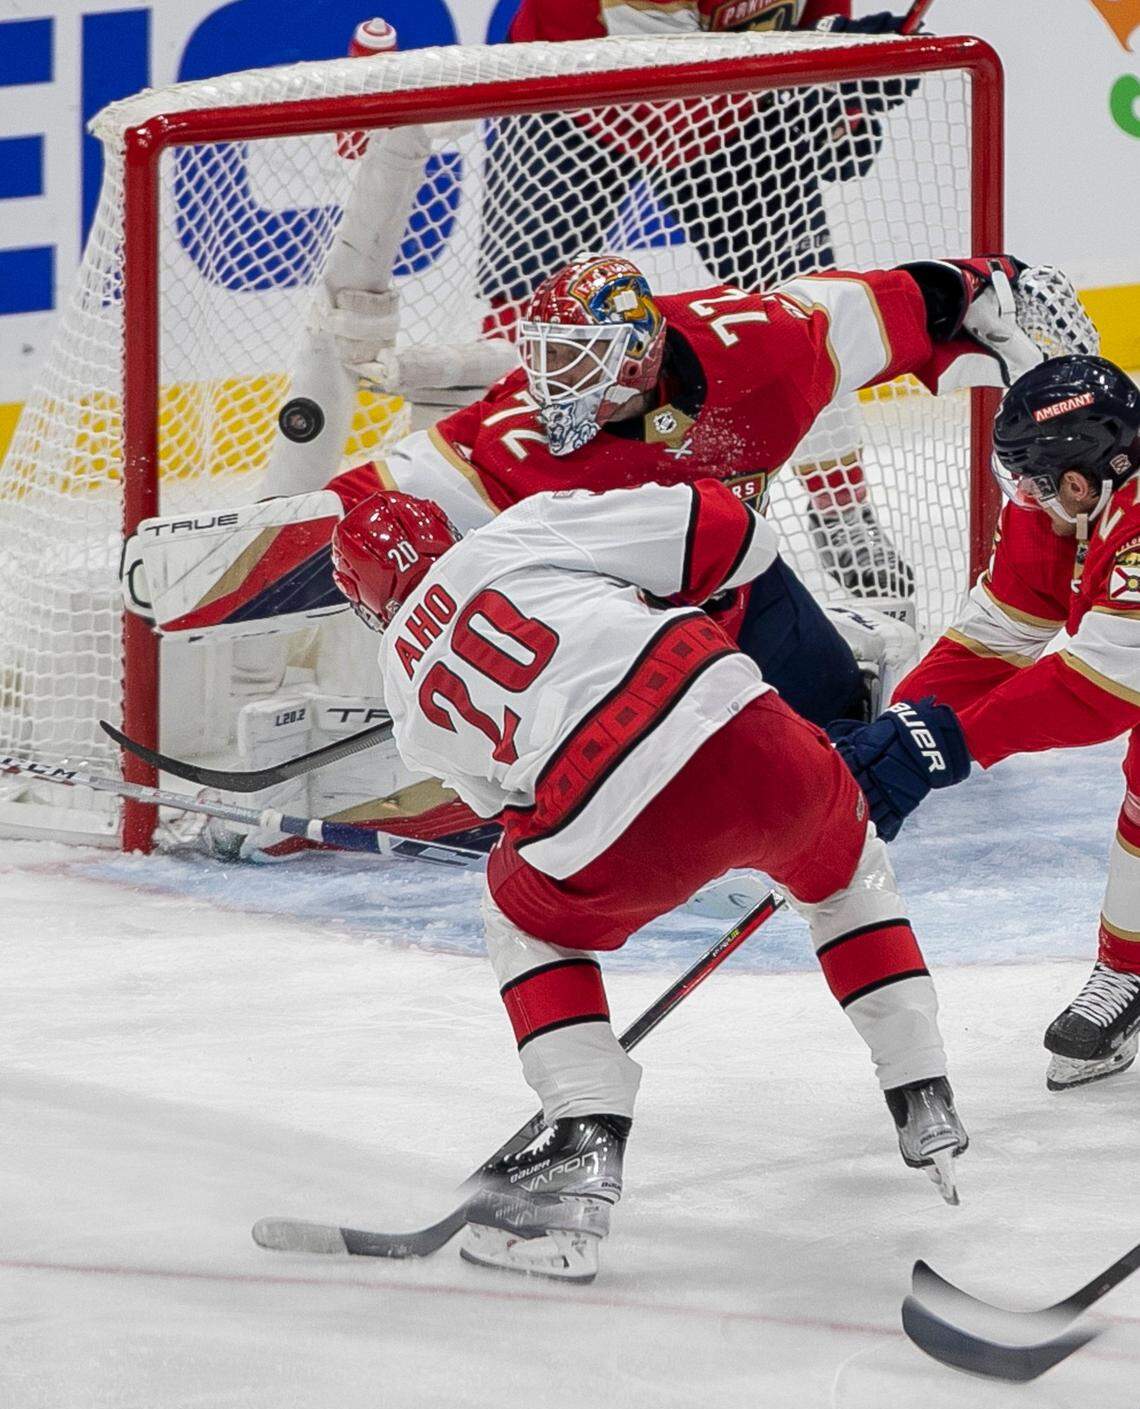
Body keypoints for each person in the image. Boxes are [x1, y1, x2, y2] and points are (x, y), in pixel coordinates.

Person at [329, 476, 969, 1282]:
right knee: (846, 871)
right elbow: (739, 532)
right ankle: (921, 1088)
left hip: (608, 814)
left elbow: (504, 804)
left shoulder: (404, 693)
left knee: (520, 912)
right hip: (748, 730)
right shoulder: (518, 532)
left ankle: (581, 1141)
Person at [331, 250, 1043, 730]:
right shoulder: (514, 439)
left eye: (576, 361)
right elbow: (365, 503)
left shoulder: (767, 349)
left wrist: (1000, 292)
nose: (552, 386)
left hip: (736, 584)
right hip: (614, 628)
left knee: (841, 724)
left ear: (640, 357)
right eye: (545, 357)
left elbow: (920, 301)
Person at [481, 1, 923, 595]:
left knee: (806, 315)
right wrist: (820, 48)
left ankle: (843, 513)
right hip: (575, 84)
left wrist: (842, 89)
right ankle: (503, 507)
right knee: (533, 319)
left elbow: (812, 17)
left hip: (727, 104)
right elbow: (658, 49)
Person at [828, 355, 1140, 1091]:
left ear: (1078, 473)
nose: (1024, 496)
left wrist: (948, 744)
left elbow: (1101, 683)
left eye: (1034, 480)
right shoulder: (1074, 494)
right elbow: (1000, 630)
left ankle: (1128, 967)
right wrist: (900, 730)